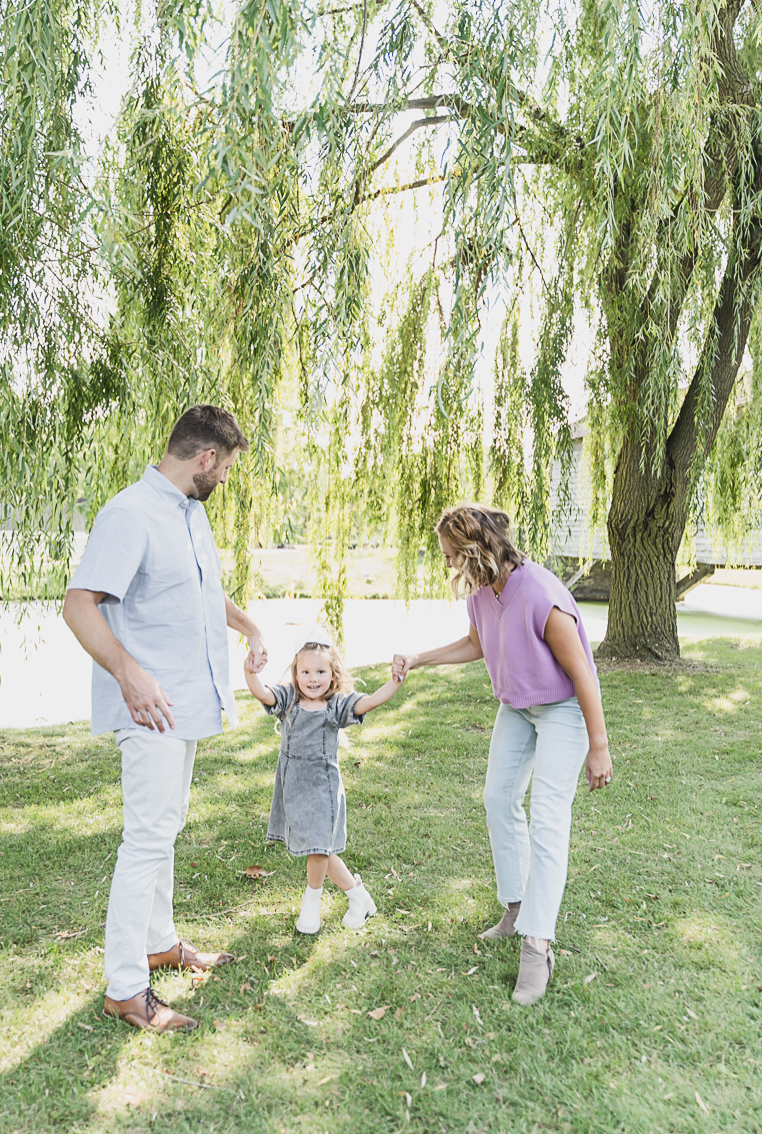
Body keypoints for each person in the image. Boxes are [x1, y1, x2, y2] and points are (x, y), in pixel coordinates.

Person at [63, 405, 268, 1033]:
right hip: (147, 705)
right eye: (226, 469)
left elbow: (200, 592)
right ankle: (127, 987)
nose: (226, 480)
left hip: (184, 701)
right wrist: (129, 673)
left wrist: (250, 625)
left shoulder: (190, 512)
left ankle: (160, 943)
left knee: (166, 827)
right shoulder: (129, 514)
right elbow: (78, 606)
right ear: (206, 458)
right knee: (147, 838)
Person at [392, 503, 612, 1006]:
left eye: (452, 556)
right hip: (517, 707)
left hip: (563, 711)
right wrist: (420, 659)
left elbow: (583, 673)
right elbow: (477, 642)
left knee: (550, 817)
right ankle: (516, 908)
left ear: (477, 551)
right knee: (498, 799)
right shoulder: (481, 591)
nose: (448, 565)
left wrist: (598, 747)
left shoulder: (539, 594)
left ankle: (538, 945)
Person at [243, 627, 401, 935]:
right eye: (305, 671)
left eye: (320, 671)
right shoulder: (288, 698)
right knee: (320, 849)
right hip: (293, 787)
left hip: (322, 788)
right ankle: (359, 898)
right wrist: (249, 673)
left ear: (333, 674)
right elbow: (262, 693)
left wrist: (394, 682)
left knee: (317, 848)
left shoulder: (335, 706)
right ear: (296, 672)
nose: (312, 679)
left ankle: (311, 905)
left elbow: (369, 702)